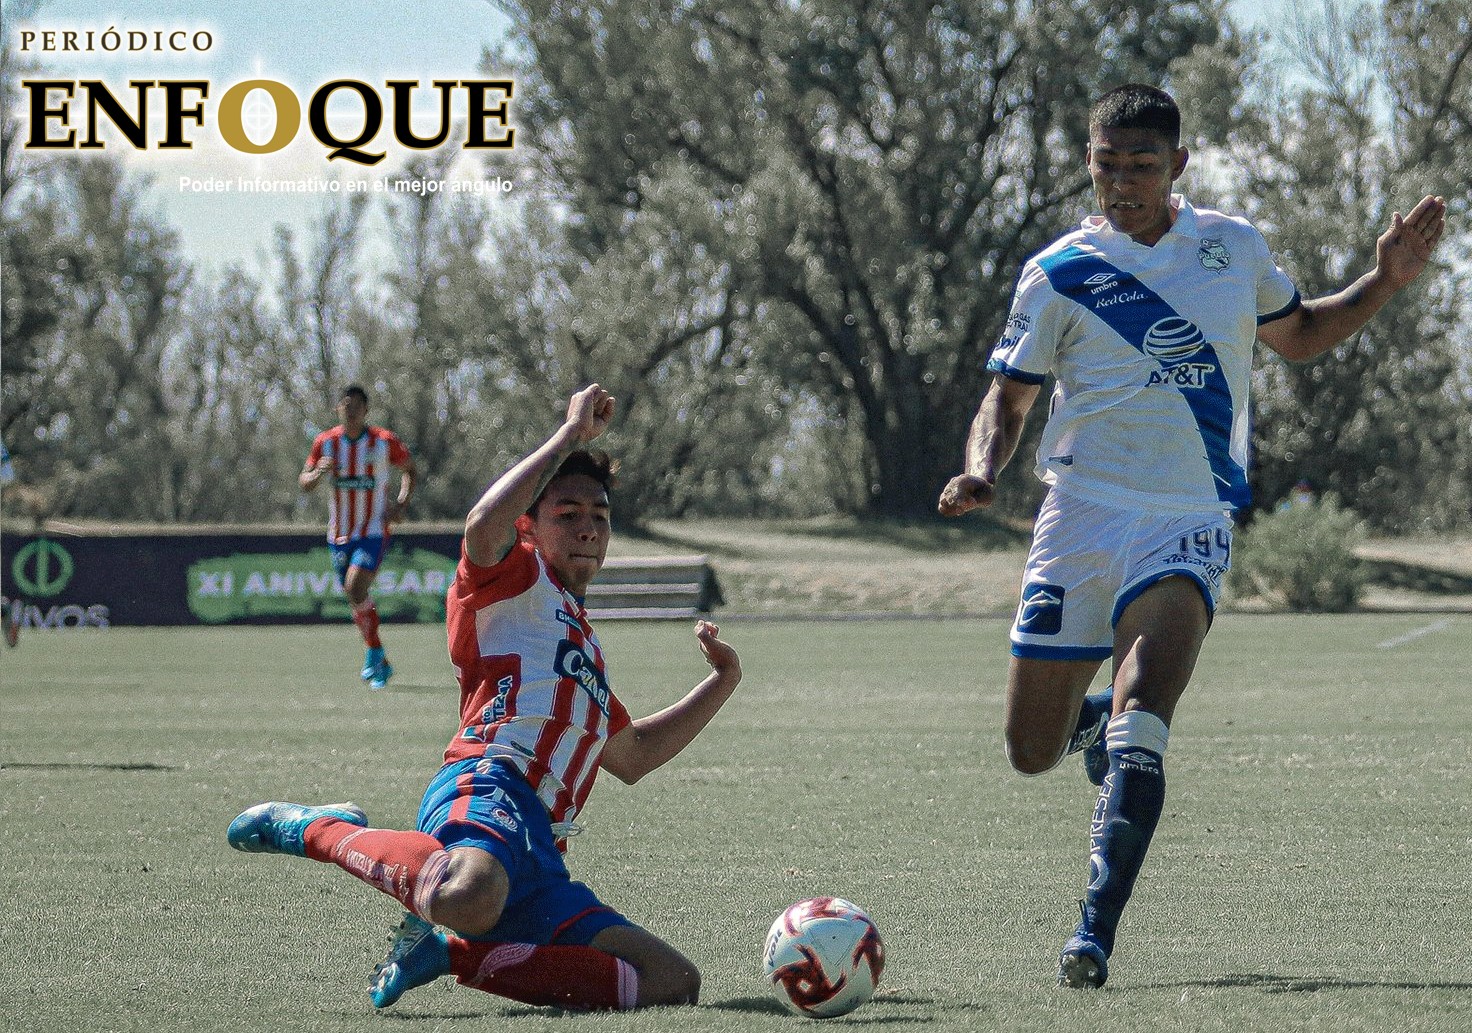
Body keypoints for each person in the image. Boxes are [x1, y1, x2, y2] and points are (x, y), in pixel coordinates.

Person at [937, 84, 1445, 989]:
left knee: (1146, 711)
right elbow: (1008, 399)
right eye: (1107, 165)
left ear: (1177, 164)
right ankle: (1091, 727)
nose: (1123, 184)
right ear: (1089, 163)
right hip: (1080, 518)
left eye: (1142, 166)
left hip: (1188, 517)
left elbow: (1301, 335)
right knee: (1029, 749)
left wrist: (1385, 282)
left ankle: (1092, 934)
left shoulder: (1231, 247)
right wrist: (982, 467)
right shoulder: (1057, 272)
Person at [229, 383, 744, 1013]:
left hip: (541, 851)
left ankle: (448, 954)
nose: (588, 527)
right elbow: (481, 526)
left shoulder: (583, 649)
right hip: (487, 785)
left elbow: (633, 755)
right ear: (530, 524)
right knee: (469, 894)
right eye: (568, 514)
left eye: (600, 516)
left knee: (672, 982)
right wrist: (569, 437)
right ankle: (315, 829)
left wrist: (723, 681)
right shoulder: (514, 576)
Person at [300, 384, 418, 689]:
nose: (350, 411)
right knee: (355, 598)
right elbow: (304, 482)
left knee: (355, 587)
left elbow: (409, 469)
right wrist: (317, 473)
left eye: (356, 407)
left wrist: (401, 504)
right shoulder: (325, 443)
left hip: (373, 530)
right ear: (338, 408)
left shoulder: (383, 442)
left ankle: (374, 654)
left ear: (366, 410)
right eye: (346, 406)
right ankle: (377, 654)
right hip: (338, 534)